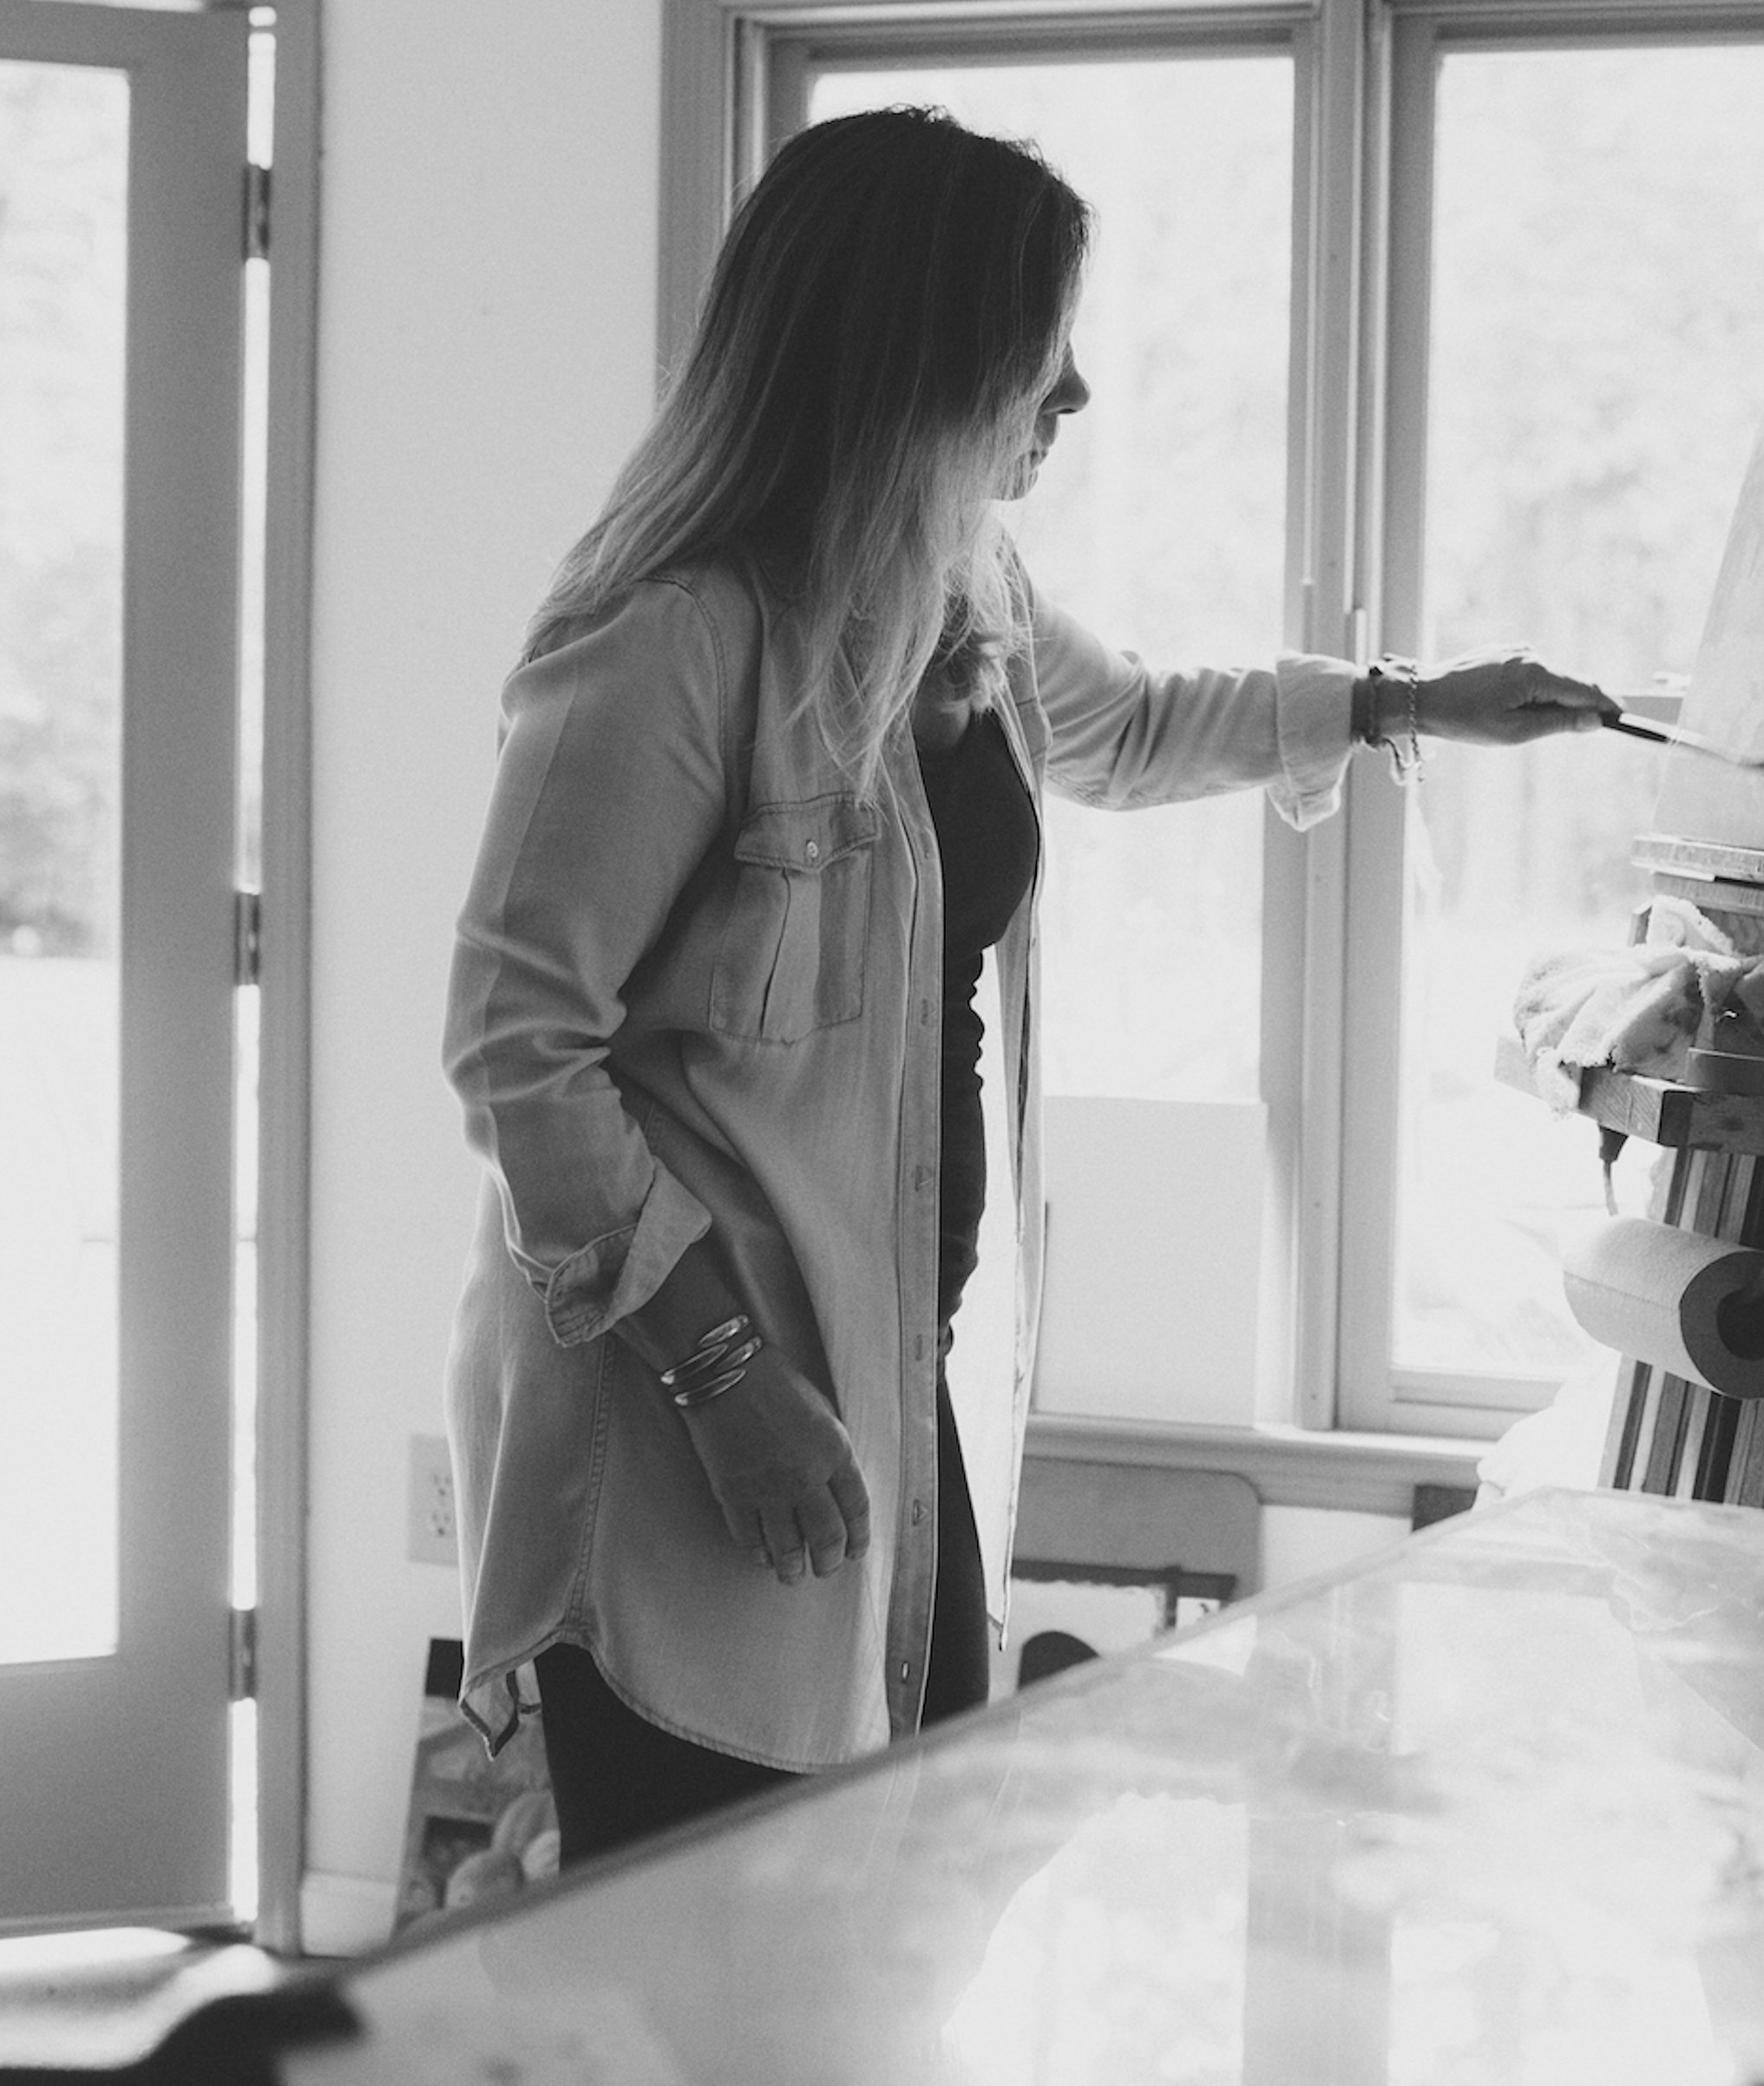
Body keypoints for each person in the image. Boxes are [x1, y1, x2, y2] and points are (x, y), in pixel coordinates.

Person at [443, 107, 1616, 1865]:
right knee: (721, 1939)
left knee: (894, 1885)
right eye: (1035, 348)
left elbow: (1127, 726)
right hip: (699, 1387)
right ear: (911, 354)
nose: (1072, 392)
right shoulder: (671, 639)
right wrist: (725, 1380)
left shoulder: (953, 584)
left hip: (872, 1359)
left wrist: (1408, 702)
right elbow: (517, 1048)